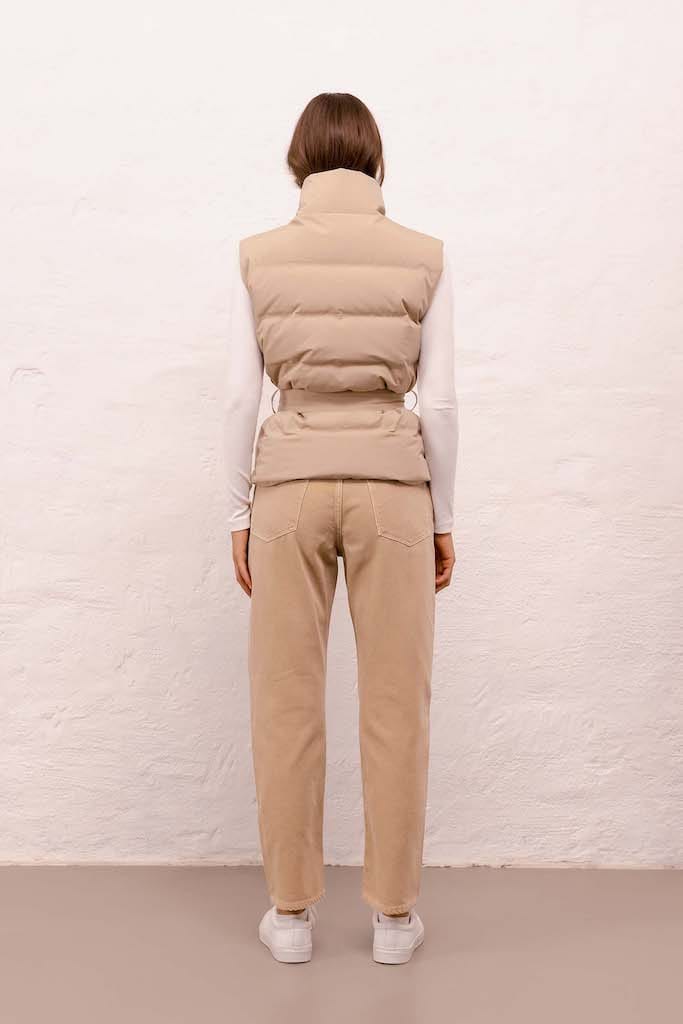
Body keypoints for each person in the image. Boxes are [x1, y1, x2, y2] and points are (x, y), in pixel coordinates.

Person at [225, 93, 458, 965]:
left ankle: (290, 917)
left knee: (285, 699)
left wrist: (239, 510)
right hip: (394, 488)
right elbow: (440, 402)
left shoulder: (258, 257)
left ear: (298, 161)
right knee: (397, 702)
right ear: (374, 161)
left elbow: (239, 397)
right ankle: (393, 920)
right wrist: (441, 515)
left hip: (287, 486)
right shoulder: (424, 256)